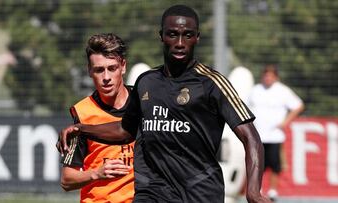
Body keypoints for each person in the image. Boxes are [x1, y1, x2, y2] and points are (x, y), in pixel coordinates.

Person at [58, 5, 271, 203]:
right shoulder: (146, 82)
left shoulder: (212, 83)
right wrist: (81, 128)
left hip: (198, 193)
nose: (179, 42)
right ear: (162, 36)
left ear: (197, 38)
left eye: (187, 35)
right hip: (152, 191)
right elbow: (125, 129)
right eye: (172, 34)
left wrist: (253, 190)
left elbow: (251, 138)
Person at [58, 33, 135, 203]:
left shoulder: (144, 103)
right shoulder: (83, 115)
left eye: (112, 68)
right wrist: (97, 173)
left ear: (123, 66)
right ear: (89, 71)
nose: (106, 78)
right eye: (99, 70)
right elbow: (66, 180)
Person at [248, 64, 304, 201]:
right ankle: (257, 190)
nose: (267, 78)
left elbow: (298, 106)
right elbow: (244, 107)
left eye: (270, 76)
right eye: (265, 75)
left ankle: (273, 191)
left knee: (274, 165)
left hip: (274, 136)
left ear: (276, 77)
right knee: (257, 164)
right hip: (257, 135)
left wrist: (286, 122)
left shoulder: (283, 91)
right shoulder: (255, 90)